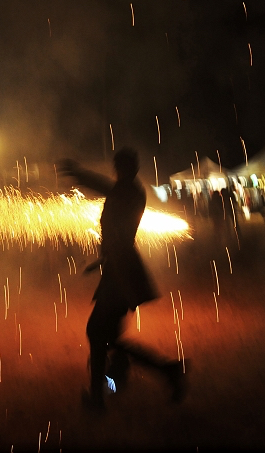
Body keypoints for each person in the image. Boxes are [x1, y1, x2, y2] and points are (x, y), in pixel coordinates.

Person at [59, 148, 186, 412]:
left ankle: (100, 397)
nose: (116, 170)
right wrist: (102, 260)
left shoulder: (128, 191)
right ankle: (164, 371)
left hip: (122, 274)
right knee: (107, 338)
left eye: (120, 165)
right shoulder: (127, 189)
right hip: (117, 269)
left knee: (98, 333)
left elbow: (106, 189)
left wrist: (79, 173)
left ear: (130, 168)